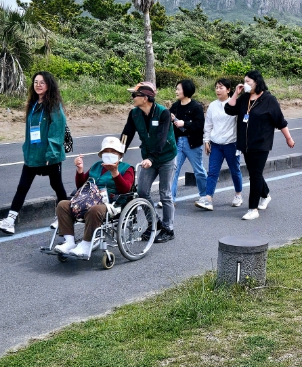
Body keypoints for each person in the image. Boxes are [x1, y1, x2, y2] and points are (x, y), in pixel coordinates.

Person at [0, 72, 67, 236]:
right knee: (22, 186)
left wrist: (52, 153)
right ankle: (10, 221)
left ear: (49, 85)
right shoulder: (33, 104)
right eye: (36, 82)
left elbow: (57, 129)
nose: (38, 85)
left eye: (42, 82)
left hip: (48, 156)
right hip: (33, 156)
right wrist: (27, 150)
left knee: (57, 186)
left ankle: (64, 218)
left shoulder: (53, 104)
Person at [224, 70, 295, 220]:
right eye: (245, 81)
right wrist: (236, 94)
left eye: (248, 82)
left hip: (261, 143)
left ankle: (253, 209)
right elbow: (229, 109)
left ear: (257, 82)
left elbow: (280, 121)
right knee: (254, 172)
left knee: (255, 175)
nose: (246, 84)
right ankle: (266, 195)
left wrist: (289, 138)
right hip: (245, 144)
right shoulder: (244, 98)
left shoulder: (269, 100)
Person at [54, 137, 135, 256]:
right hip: (89, 199)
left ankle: (86, 245)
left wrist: (115, 173)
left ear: (119, 154)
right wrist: (80, 170)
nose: (110, 154)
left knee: (95, 210)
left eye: (113, 152)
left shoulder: (127, 168)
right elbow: (81, 186)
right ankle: (69, 242)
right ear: (102, 154)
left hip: (112, 204)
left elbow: (126, 189)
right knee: (63, 205)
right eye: (106, 151)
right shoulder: (97, 165)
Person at [121, 81, 177, 243]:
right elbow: (126, 135)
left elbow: (162, 138)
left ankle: (168, 229)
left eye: (135, 95)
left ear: (145, 98)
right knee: (143, 192)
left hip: (165, 157)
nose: (132, 98)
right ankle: (155, 223)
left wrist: (152, 158)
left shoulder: (163, 113)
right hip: (148, 157)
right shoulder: (134, 114)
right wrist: (118, 153)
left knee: (165, 194)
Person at [199, 78, 243, 211]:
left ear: (228, 90)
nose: (218, 90)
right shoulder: (212, 105)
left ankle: (238, 195)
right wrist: (206, 140)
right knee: (212, 172)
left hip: (231, 144)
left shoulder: (235, 104)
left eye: (221, 87)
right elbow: (208, 125)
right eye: (216, 87)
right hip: (216, 144)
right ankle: (208, 198)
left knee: (235, 170)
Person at [169, 79, 208, 207]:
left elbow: (199, 125)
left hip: (192, 143)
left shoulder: (196, 107)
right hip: (177, 142)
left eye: (178, 89)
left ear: (186, 91)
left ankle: (205, 196)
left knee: (199, 170)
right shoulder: (175, 106)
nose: (176, 91)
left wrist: (184, 123)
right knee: (173, 170)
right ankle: (170, 199)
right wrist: (170, 118)